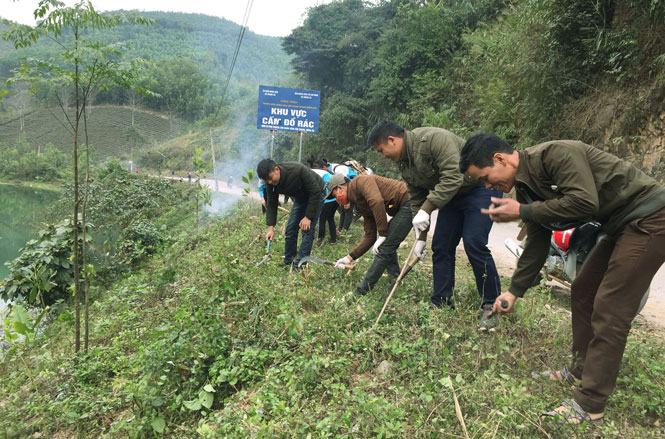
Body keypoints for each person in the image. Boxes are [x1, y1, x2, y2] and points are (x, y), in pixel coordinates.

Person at [458, 133, 665, 425]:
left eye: (485, 178)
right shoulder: (527, 190)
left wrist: (525, 211)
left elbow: (584, 203)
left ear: (500, 159)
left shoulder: (555, 155)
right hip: (621, 225)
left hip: (651, 217)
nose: (488, 186)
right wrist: (513, 292)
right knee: (583, 291)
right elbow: (537, 243)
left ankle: (590, 404)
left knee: (610, 307)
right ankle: (580, 370)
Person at [368, 120, 502, 330]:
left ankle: (491, 305)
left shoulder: (433, 140)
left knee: (474, 242)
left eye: (381, 150)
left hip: (481, 188)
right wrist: (421, 238)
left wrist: (427, 209)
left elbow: (454, 176)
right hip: (452, 196)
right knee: (440, 246)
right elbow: (416, 197)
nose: (383, 155)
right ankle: (441, 302)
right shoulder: (404, 162)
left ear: (392, 140)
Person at [328, 173, 418, 296]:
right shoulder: (360, 203)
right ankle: (396, 279)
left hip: (409, 201)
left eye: (335, 195)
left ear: (340, 188)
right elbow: (370, 237)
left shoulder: (360, 181)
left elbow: (376, 201)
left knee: (385, 247)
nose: (337, 200)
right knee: (386, 245)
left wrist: (382, 234)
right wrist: (349, 258)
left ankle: (361, 292)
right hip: (402, 206)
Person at [256, 159, 325, 269]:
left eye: (270, 178)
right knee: (290, 228)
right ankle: (288, 261)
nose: (269, 182)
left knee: (307, 229)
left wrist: (307, 217)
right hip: (300, 198)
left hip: (316, 194)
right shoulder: (271, 184)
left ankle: (300, 265)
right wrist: (270, 229)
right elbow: (272, 204)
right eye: (266, 180)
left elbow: (315, 191)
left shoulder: (297, 169)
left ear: (277, 169)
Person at [311, 159, 337, 245]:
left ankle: (320, 240)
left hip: (327, 199)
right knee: (330, 219)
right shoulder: (326, 173)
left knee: (321, 219)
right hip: (335, 198)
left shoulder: (311, 173)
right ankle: (333, 240)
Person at [328, 162, 358, 233]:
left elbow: (344, 183)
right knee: (342, 210)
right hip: (345, 191)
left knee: (348, 210)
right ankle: (340, 229)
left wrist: (347, 201)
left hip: (351, 190)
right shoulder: (333, 171)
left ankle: (344, 231)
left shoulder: (338, 170)